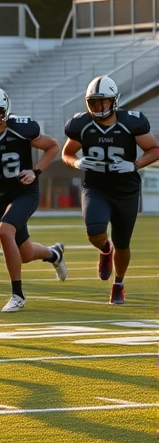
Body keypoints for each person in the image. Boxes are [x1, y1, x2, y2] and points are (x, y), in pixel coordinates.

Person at [0, 86, 66, 313]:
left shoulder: (22, 128)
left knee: (5, 232)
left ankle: (17, 294)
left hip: (24, 192)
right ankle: (54, 253)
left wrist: (36, 171)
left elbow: (52, 146)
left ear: (6, 110)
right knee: (25, 254)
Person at [61, 76, 159, 305]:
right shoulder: (81, 124)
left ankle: (119, 283)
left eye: (104, 102)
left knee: (123, 243)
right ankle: (106, 250)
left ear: (114, 101)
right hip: (96, 187)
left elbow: (154, 150)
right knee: (95, 231)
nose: (99, 107)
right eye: (94, 102)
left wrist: (133, 165)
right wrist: (76, 163)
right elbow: (67, 153)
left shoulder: (131, 122)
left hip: (126, 190)